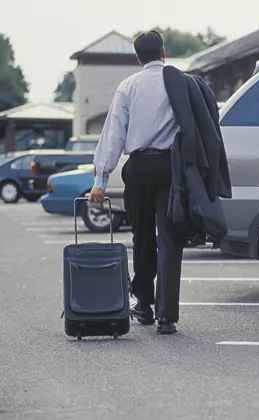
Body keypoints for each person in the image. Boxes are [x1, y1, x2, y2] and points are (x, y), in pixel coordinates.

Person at [88, 30, 183, 335]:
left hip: (140, 168)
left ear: (139, 57)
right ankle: (167, 316)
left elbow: (114, 134)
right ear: (163, 52)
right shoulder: (179, 82)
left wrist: (101, 181)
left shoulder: (128, 87)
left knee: (143, 236)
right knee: (170, 237)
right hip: (171, 167)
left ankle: (144, 303)